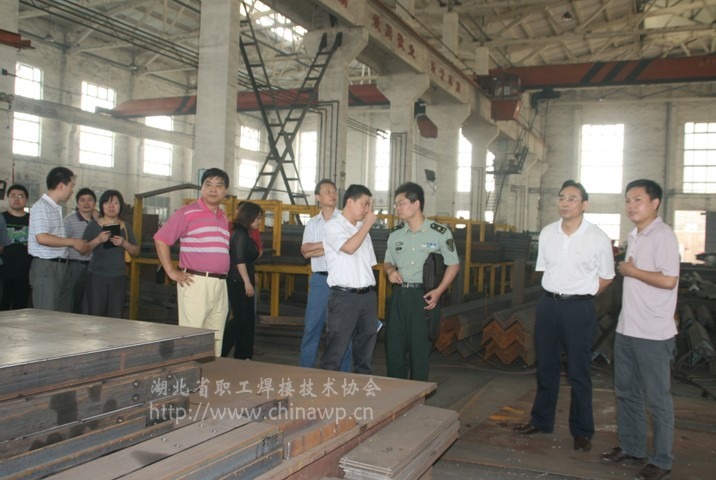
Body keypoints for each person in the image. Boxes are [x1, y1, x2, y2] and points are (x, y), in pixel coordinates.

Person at [514, 180, 615, 454]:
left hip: (578, 309)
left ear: (584, 205)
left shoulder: (597, 237)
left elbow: (607, 276)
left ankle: (582, 431)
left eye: (572, 198)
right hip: (548, 305)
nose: (565, 203)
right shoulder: (548, 233)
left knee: (579, 371)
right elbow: (546, 269)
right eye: (561, 197)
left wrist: (583, 295)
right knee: (546, 367)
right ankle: (541, 421)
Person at [600, 179, 679, 480]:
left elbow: (669, 280)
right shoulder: (635, 235)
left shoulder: (663, 236)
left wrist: (632, 271)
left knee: (657, 400)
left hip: (654, 334)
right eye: (628, 200)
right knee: (626, 393)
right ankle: (632, 448)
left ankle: (662, 460)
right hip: (627, 329)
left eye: (638, 200)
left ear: (655, 203)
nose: (631, 206)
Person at [383, 182, 460, 381]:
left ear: (416, 203)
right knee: (394, 348)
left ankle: (418, 394)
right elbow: (388, 261)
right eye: (396, 204)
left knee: (419, 350)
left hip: (424, 297)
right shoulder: (395, 235)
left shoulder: (440, 233)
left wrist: (439, 291)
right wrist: (390, 270)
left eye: (401, 203)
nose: (397, 208)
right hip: (399, 296)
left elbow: (453, 264)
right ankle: (396, 393)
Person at [154, 168, 231, 356]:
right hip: (195, 282)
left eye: (218, 186)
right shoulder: (187, 212)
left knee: (216, 336)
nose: (213, 189)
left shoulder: (223, 217)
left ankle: (210, 372)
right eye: (208, 184)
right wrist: (170, 271)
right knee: (192, 334)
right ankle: (188, 372)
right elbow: (161, 238)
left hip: (220, 283)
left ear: (225, 191)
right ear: (201, 188)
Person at [320, 184, 378, 374]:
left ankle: (361, 386)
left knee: (366, 347)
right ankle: (327, 388)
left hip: (367, 297)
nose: (367, 210)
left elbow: (369, 264)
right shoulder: (333, 226)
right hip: (344, 298)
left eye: (369, 205)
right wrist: (368, 225)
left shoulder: (363, 230)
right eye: (364, 204)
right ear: (350, 202)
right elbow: (349, 247)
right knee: (336, 349)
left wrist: (365, 227)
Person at [299, 179, 352, 371]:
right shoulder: (313, 223)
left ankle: (344, 374)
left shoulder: (346, 220)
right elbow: (305, 252)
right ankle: (305, 371)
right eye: (327, 191)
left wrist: (320, 247)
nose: (332, 194)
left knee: (342, 330)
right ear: (317, 197)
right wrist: (333, 245)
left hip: (342, 281)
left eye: (334, 191)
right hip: (320, 281)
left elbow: (349, 248)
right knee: (312, 327)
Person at [28, 167, 90, 311]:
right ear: (61, 185)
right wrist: (73, 242)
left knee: (62, 315)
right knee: (46, 315)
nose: (72, 191)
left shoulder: (55, 208)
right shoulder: (41, 207)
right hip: (47, 268)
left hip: (61, 266)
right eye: (71, 186)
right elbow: (42, 237)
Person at [82, 190, 139, 318]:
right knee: (95, 313)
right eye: (107, 203)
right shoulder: (93, 225)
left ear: (120, 206)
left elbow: (136, 251)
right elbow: (84, 250)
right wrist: (98, 240)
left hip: (118, 277)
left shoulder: (126, 226)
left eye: (115, 203)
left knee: (115, 315)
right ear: (102, 206)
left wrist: (124, 243)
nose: (111, 206)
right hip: (97, 276)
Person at [222, 201, 263, 359]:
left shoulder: (247, 234)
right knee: (240, 318)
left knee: (248, 319)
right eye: (258, 218)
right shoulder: (239, 234)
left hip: (245, 279)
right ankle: (221, 351)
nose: (259, 221)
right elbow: (239, 260)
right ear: (249, 217)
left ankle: (244, 355)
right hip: (237, 281)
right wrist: (246, 281)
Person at [64, 188, 97, 313]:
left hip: (94, 266)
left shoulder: (99, 223)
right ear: (77, 203)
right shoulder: (69, 220)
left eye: (90, 200)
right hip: (75, 266)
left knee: (91, 300)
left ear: (94, 203)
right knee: (74, 299)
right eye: (82, 200)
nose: (86, 203)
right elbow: (63, 241)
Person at [1, 184, 32, 310]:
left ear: (26, 200)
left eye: (20, 196)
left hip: (25, 271)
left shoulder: (32, 220)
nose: (16, 199)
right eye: (13, 196)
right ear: (8, 198)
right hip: (3, 271)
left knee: (20, 307)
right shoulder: (1, 218)